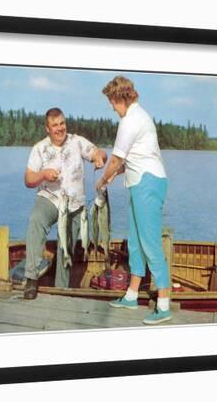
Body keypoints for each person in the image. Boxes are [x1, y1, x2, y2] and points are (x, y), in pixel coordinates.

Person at [97, 76, 171, 325]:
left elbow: (117, 160)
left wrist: (102, 180)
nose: (111, 106)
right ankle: (131, 295)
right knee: (136, 243)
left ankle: (164, 304)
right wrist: (111, 176)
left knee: (150, 243)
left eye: (111, 101)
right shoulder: (139, 116)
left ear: (121, 97)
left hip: (147, 183)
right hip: (140, 182)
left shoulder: (130, 121)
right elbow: (127, 161)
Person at [23, 107, 107, 299]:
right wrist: (43, 174)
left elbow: (98, 152)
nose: (60, 128)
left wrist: (99, 158)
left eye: (62, 123)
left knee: (66, 245)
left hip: (75, 204)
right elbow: (28, 179)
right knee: (36, 220)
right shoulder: (39, 148)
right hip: (50, 199)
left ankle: (61, 289)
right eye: (55, 125)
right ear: (47, 128)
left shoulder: (77, 141)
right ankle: (31, 278)